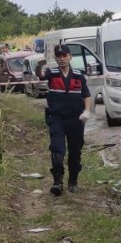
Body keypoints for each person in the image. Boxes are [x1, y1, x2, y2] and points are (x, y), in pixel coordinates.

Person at [40, 44, 92, 196]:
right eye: (59, 56)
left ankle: (73, 180)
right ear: (56, 58)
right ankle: (57, 181)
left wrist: (87, 110)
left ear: (70, 57)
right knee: (57, 149)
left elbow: (86, 95)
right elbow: (41, 75)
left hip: (75, 120)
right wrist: (39, 67)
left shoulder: (78, 75)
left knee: (75, 151)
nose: (62, 59)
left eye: (64, 55)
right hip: (56, 118)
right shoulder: (52, 73)